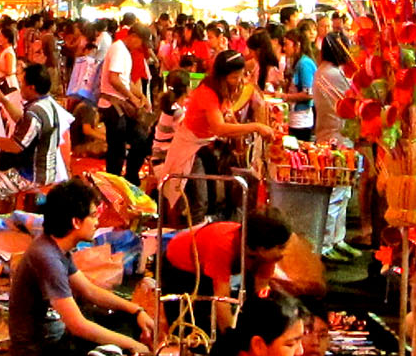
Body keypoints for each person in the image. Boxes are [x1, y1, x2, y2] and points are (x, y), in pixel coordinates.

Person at [7, 179, 154, 356]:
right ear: (76, 222)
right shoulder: (46, 257)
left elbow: (89, 290)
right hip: (40, 355)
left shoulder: (55, 246)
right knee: (121, 349)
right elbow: (77, 325)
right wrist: (135, 346)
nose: (97, 222)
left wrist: (136, 310)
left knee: (129, 322)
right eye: (93, 216)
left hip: (56, 339)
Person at [157, 51, 275, 220]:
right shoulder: (208, 92)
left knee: (212, 201)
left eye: (242, 75)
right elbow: (219, 128)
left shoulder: (223, 90)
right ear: (221, 76)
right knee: (200, 202)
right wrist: (256, 127)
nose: (240, 81)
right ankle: (191, 241)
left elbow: (227, 116)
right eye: (235, 77)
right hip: (189, 150)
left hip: (205, 148)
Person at [163, 208, 292, 330]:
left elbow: (261, 293)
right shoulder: (223, 245)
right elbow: (222, 301)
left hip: (211, 262)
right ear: (261, 249)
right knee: (192, 328)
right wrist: (230, 342)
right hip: (180, 264)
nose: (284, 253)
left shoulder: (267, 254)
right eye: (281, 248)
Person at [0, 65, 67, 185]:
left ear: (31, 87)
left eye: (22, 84)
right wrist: (3, 100)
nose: (20, 88)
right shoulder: (47, 104)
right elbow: (22, 121)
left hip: (32, 176)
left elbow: (15, 145)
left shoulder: (34, 111)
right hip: (46, 172)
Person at [313, 32, 357, 260]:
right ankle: (328, 243)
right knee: (336, 192)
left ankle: (337, 238)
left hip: (334, 133)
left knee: (344, 190)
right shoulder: (333, 73)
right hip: (336, 136)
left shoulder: (325, 70)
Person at [98, 24, 153, 182]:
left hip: (120, 104)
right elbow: (114, 79)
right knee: (117, 149)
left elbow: (125, 80)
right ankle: (114, 182)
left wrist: (140, 95)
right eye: (140, 42)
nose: (140, 47)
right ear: (134, 36)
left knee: (139, 141)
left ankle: (130, 177)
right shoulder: (118, 49)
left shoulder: (125, 51)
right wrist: (132, 97)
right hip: (113, 105)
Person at [284, 24, 318, 143]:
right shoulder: (297, 63)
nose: (284, 48)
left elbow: (308, 93)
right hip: (295, 116)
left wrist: (285, 97)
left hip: (302, 119)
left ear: (297, 45)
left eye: (286, 44)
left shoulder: (305, 64)